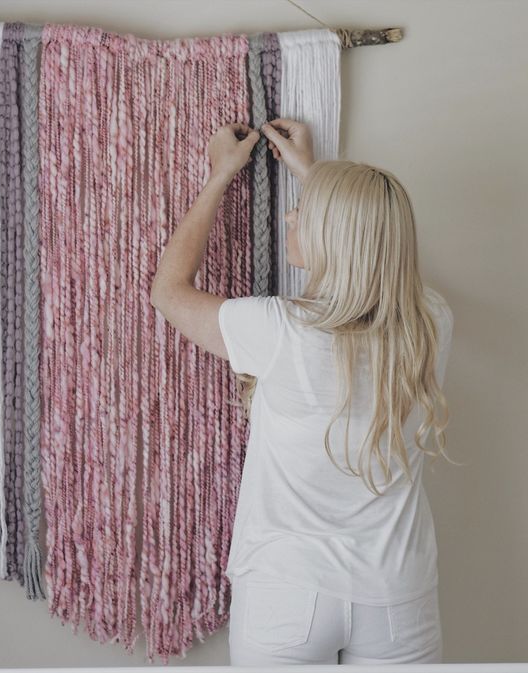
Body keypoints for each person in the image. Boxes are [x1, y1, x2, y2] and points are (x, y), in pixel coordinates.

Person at [150, 118, 458, 665]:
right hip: (396, 594)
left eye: (307, 211)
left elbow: (170, 291)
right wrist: (312, 175)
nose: (292, 213)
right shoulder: (430, 324)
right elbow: (371, 242)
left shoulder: (279, 330)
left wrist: (220, 175)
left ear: (333, 235)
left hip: (287, 592)